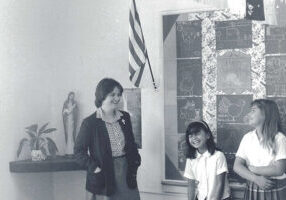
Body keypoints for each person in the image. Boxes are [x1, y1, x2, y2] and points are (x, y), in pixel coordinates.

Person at [74, 78, 141, 200]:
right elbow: (79, 153)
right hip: (103, 175)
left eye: (119, 95)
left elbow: (131, 143)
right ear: (102, 96)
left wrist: (136, 160)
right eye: (113, 94)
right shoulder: (90, 123)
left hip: (126, 173)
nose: (117, 98)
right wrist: (95, 168)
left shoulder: (125, 117)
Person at [234, 99, 286, 200]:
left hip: (274, 186)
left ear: (265, 114)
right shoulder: (247, 137)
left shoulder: (279, 138)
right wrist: (256, 178)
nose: (249, 114)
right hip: (253, 185)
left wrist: (253, 169)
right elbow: (237, 166)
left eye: (253, 110)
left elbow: (279, 169)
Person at [184, 120, 230, 200]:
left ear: (208, 135)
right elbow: (191, 185)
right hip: (201, 197)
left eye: (197, 133)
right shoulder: (191, 159)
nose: (194, 138)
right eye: (190, 136)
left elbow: (220, 184)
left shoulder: (218, 156)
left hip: (219, 198)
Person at [62, 91, 78, 156]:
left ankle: (72, 151)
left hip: (72, 121)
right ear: (68, 96)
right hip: (67, 121)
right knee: (68, 135)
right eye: (71, 95)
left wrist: (73, 109)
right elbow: (64, 112)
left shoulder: (75, 103)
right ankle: (68, 151)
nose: (72, 97)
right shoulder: (65, 103)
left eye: (73, 96)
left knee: (71, 135)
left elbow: (76, 111)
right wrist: (66, 111)